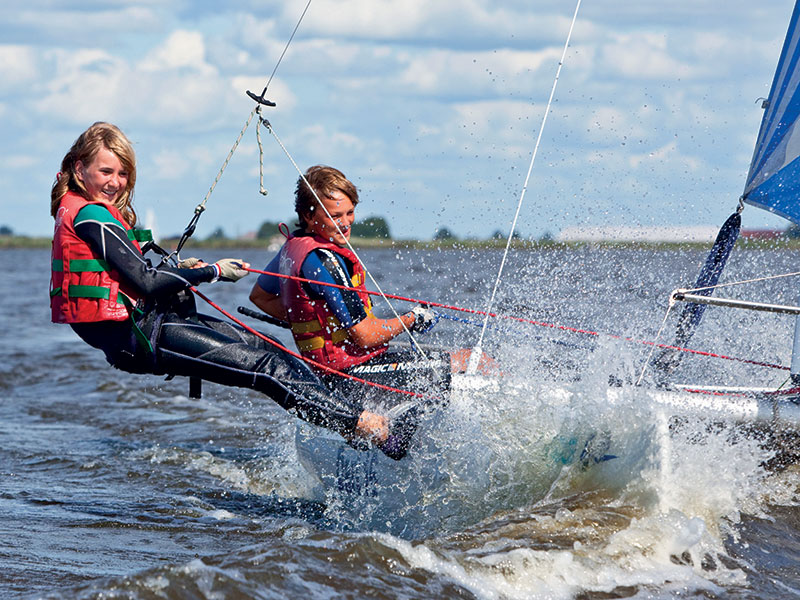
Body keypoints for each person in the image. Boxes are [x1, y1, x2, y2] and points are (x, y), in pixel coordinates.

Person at [49, 122, 413, 460]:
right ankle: (372, 430)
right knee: (267, 369)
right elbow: (145, 282)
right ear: (80, 169)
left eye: (122, 173)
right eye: (106, 172)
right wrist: (213, 271)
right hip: (140, 338)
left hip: (150, 323)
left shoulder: (87, 214)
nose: (116, 182)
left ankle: (353, 421)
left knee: (268, 350)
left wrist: (181, 271)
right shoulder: (91, 217)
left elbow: (135, 278)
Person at [249, 165, 466, 410]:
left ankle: (395, 438)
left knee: (454, 361)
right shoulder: (324, 261)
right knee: (472, 363)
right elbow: (364, 336)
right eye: (335, 216)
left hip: (327, 376)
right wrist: (413, 318)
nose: (345, 223)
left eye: (350, 213)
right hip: (352, 375)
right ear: (309, 216)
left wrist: (317, 323)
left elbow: (261, 297)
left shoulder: (293, 248)